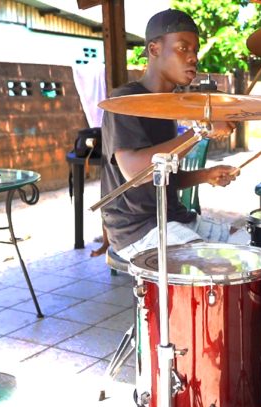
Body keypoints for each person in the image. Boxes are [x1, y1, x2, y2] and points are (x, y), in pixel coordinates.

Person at [100, 9, 240, 261]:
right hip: (137, 229)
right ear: (154, 50)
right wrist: (201, 130)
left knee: (247, 244)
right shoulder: (125, 101)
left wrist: (205, 175)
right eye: (182, 48)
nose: (193, 58)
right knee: (216, 266)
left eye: (195, 50)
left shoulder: (167, 105)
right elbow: (136, 172)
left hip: (173, 217)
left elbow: (163, 178)